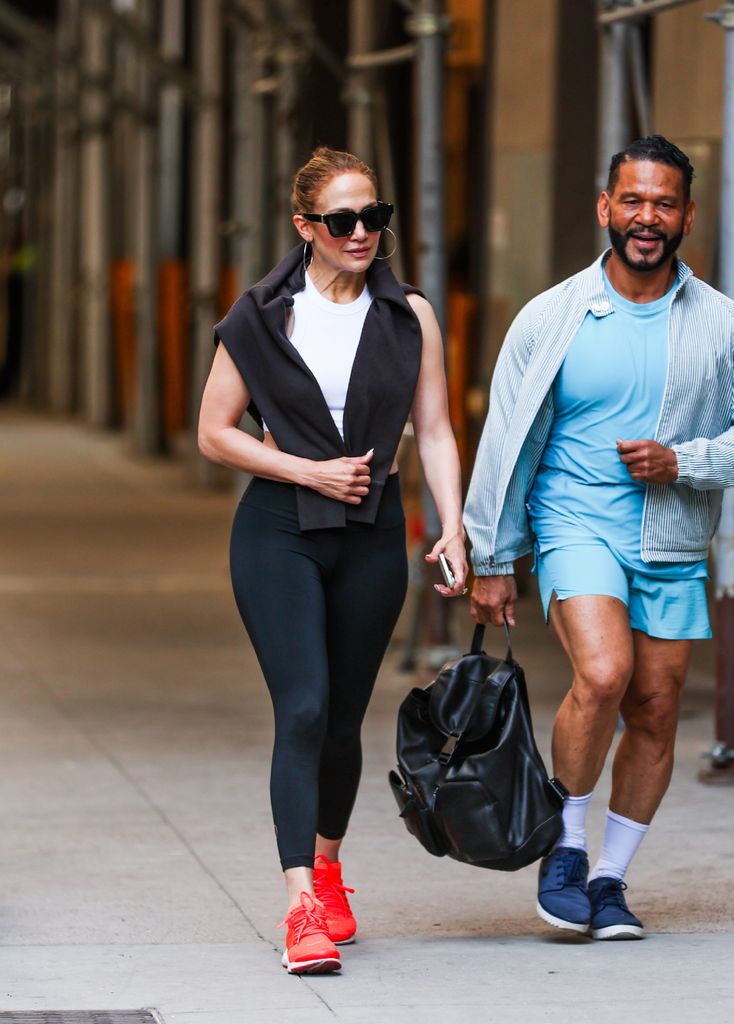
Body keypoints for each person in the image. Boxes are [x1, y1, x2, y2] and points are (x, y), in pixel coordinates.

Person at [198, 147, 467, 973]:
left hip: (375, 531)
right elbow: (215, 432)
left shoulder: (409, 314)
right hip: (280, 527)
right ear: (305, 226)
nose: (361, 233)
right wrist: (305, 468)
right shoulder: (264, 314)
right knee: (305, 706)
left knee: (346, 716)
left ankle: (329, 865)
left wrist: (452, 527)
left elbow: (436, 430)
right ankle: (299, 906)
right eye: (343, 220)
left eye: (373, 218)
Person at [464, 135, 734, 941]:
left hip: (673, 537)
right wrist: (492, 555)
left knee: (655, 708)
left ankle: (612, 880)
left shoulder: (719, 324)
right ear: (604, 208)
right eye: (632, 201)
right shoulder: (552, 318)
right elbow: (507, 439)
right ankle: (566, 851)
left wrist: (685, 459)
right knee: (607, 673)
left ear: (686, 215)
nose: (646, 217)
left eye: (663, 203)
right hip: (576, 521)